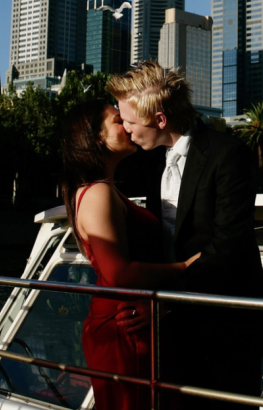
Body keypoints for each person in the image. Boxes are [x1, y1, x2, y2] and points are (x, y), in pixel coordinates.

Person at [107, 62, 263, 409]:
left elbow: (228, 245)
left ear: (160, 120)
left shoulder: (228, 155)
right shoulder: (151, 158)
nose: (124, 129)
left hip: (226, 327)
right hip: (172, 327)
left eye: (129, 121)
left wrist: (164, 305)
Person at [59, 100, 200, 410]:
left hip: (129, 319)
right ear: (96, 139)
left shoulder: (101, 189)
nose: (127, 124)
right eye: (116, 120)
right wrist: (184, 267)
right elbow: (118, 273)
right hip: (124, 326)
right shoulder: (97, 192)